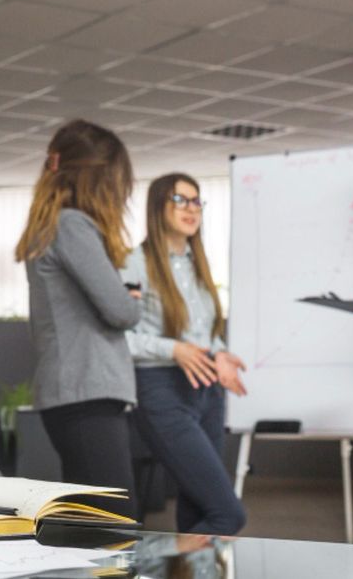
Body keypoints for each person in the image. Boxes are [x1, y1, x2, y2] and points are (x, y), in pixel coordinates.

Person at [15, 119, 140, 519]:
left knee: (90, 522)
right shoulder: (71, 225)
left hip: (73, 393)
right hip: (86, 392)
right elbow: (120, 310)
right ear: (100, 179)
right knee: (114, 521)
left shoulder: (52, 225)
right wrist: (132, 298)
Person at [122, 174, 247, 535]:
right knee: (228, 514)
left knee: (198, 509)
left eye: (196, 201)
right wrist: (173, 349)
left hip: (207, 390)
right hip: (162, 390)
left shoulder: (197, 264)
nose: (191, 208)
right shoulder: (134, 263)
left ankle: (188, 566)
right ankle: (163, 564)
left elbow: (204, 333)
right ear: (158, 206)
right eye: (180, 200)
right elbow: (118, 338)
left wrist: (219, 353)